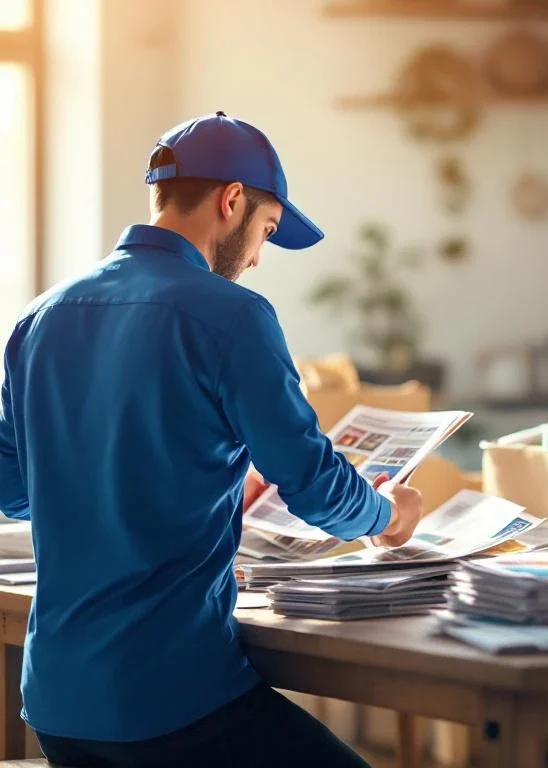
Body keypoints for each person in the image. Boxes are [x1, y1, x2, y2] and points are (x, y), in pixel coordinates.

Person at [0, 112, 423, 767]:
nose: (257, 257)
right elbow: (313, 484)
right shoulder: (234, 317)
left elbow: (14, 489)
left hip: (59, 706)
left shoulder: (40, 317)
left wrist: (177, 477)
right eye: (267, 230)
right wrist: (389, 514)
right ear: (231, 202)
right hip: (173, 703)